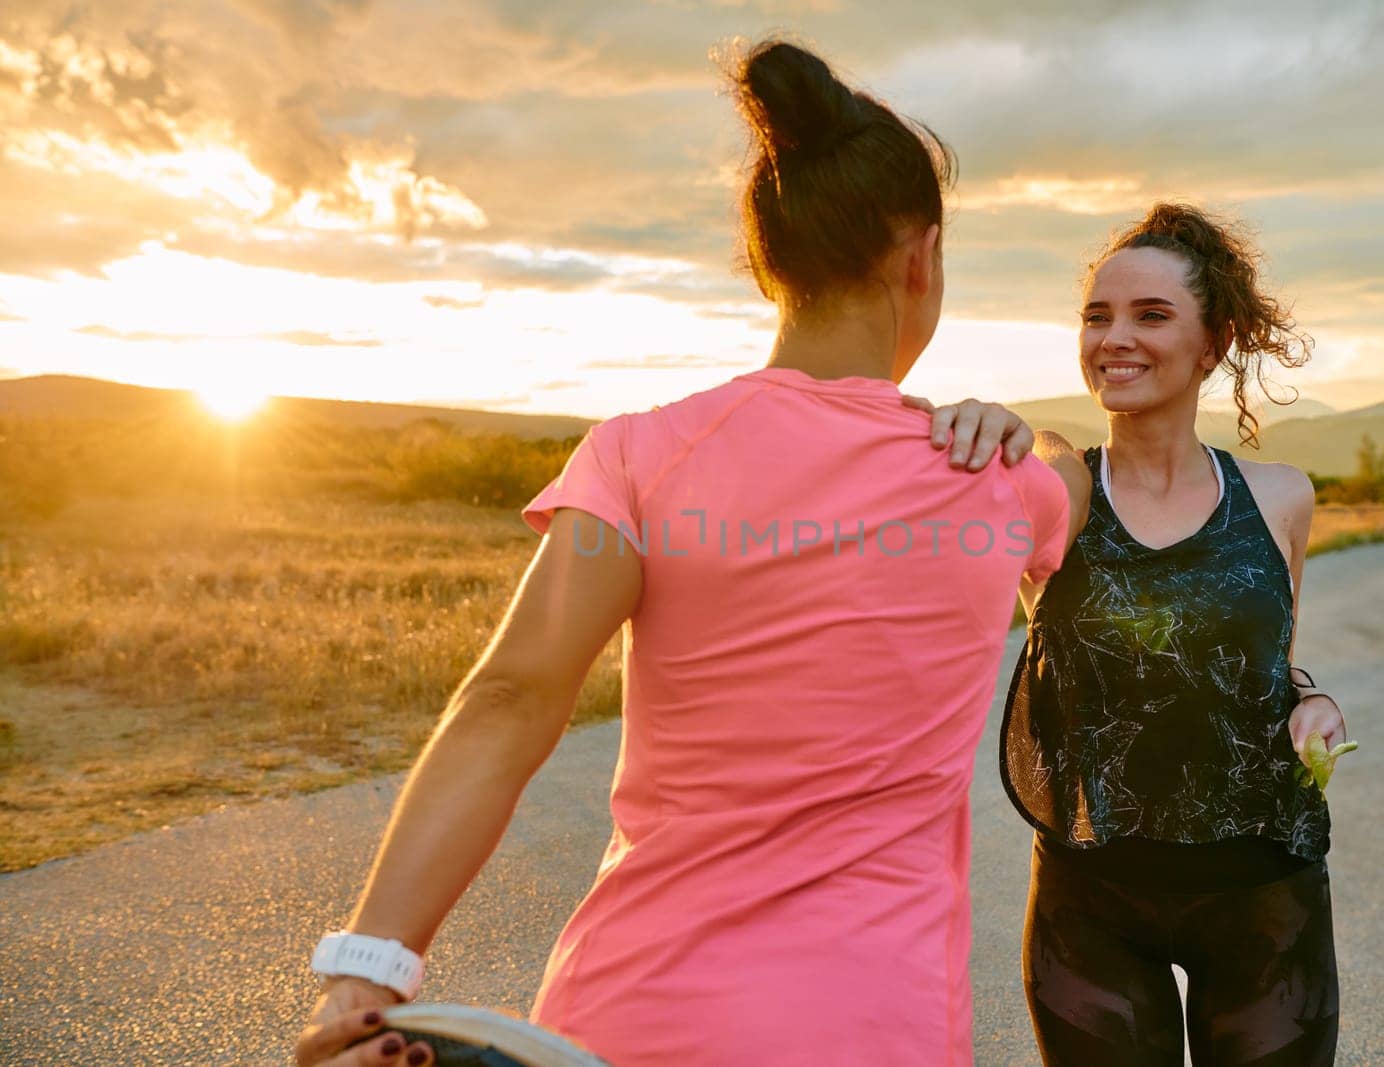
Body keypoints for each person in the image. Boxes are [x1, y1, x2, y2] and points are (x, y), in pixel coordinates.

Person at [294, 39, 1088, 1067]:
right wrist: (1024, 427)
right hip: (874, 1026)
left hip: (624, 1014)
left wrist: (369, 967)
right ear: (919, 257)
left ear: (769, 263)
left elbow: (508, 700)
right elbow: (1072, 473)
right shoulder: (1000, 483)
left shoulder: (637, 454)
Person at [1000, 203, 1350, 1066]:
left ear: (1214, 342)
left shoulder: (1278, 497)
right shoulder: (1054, 499)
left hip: (1265, 892)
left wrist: (1313, 701)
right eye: (1097, 315)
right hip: (1091, 900)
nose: (1114, 338)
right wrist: (1039, 449)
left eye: (1151, 315)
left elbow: (1272, 663)